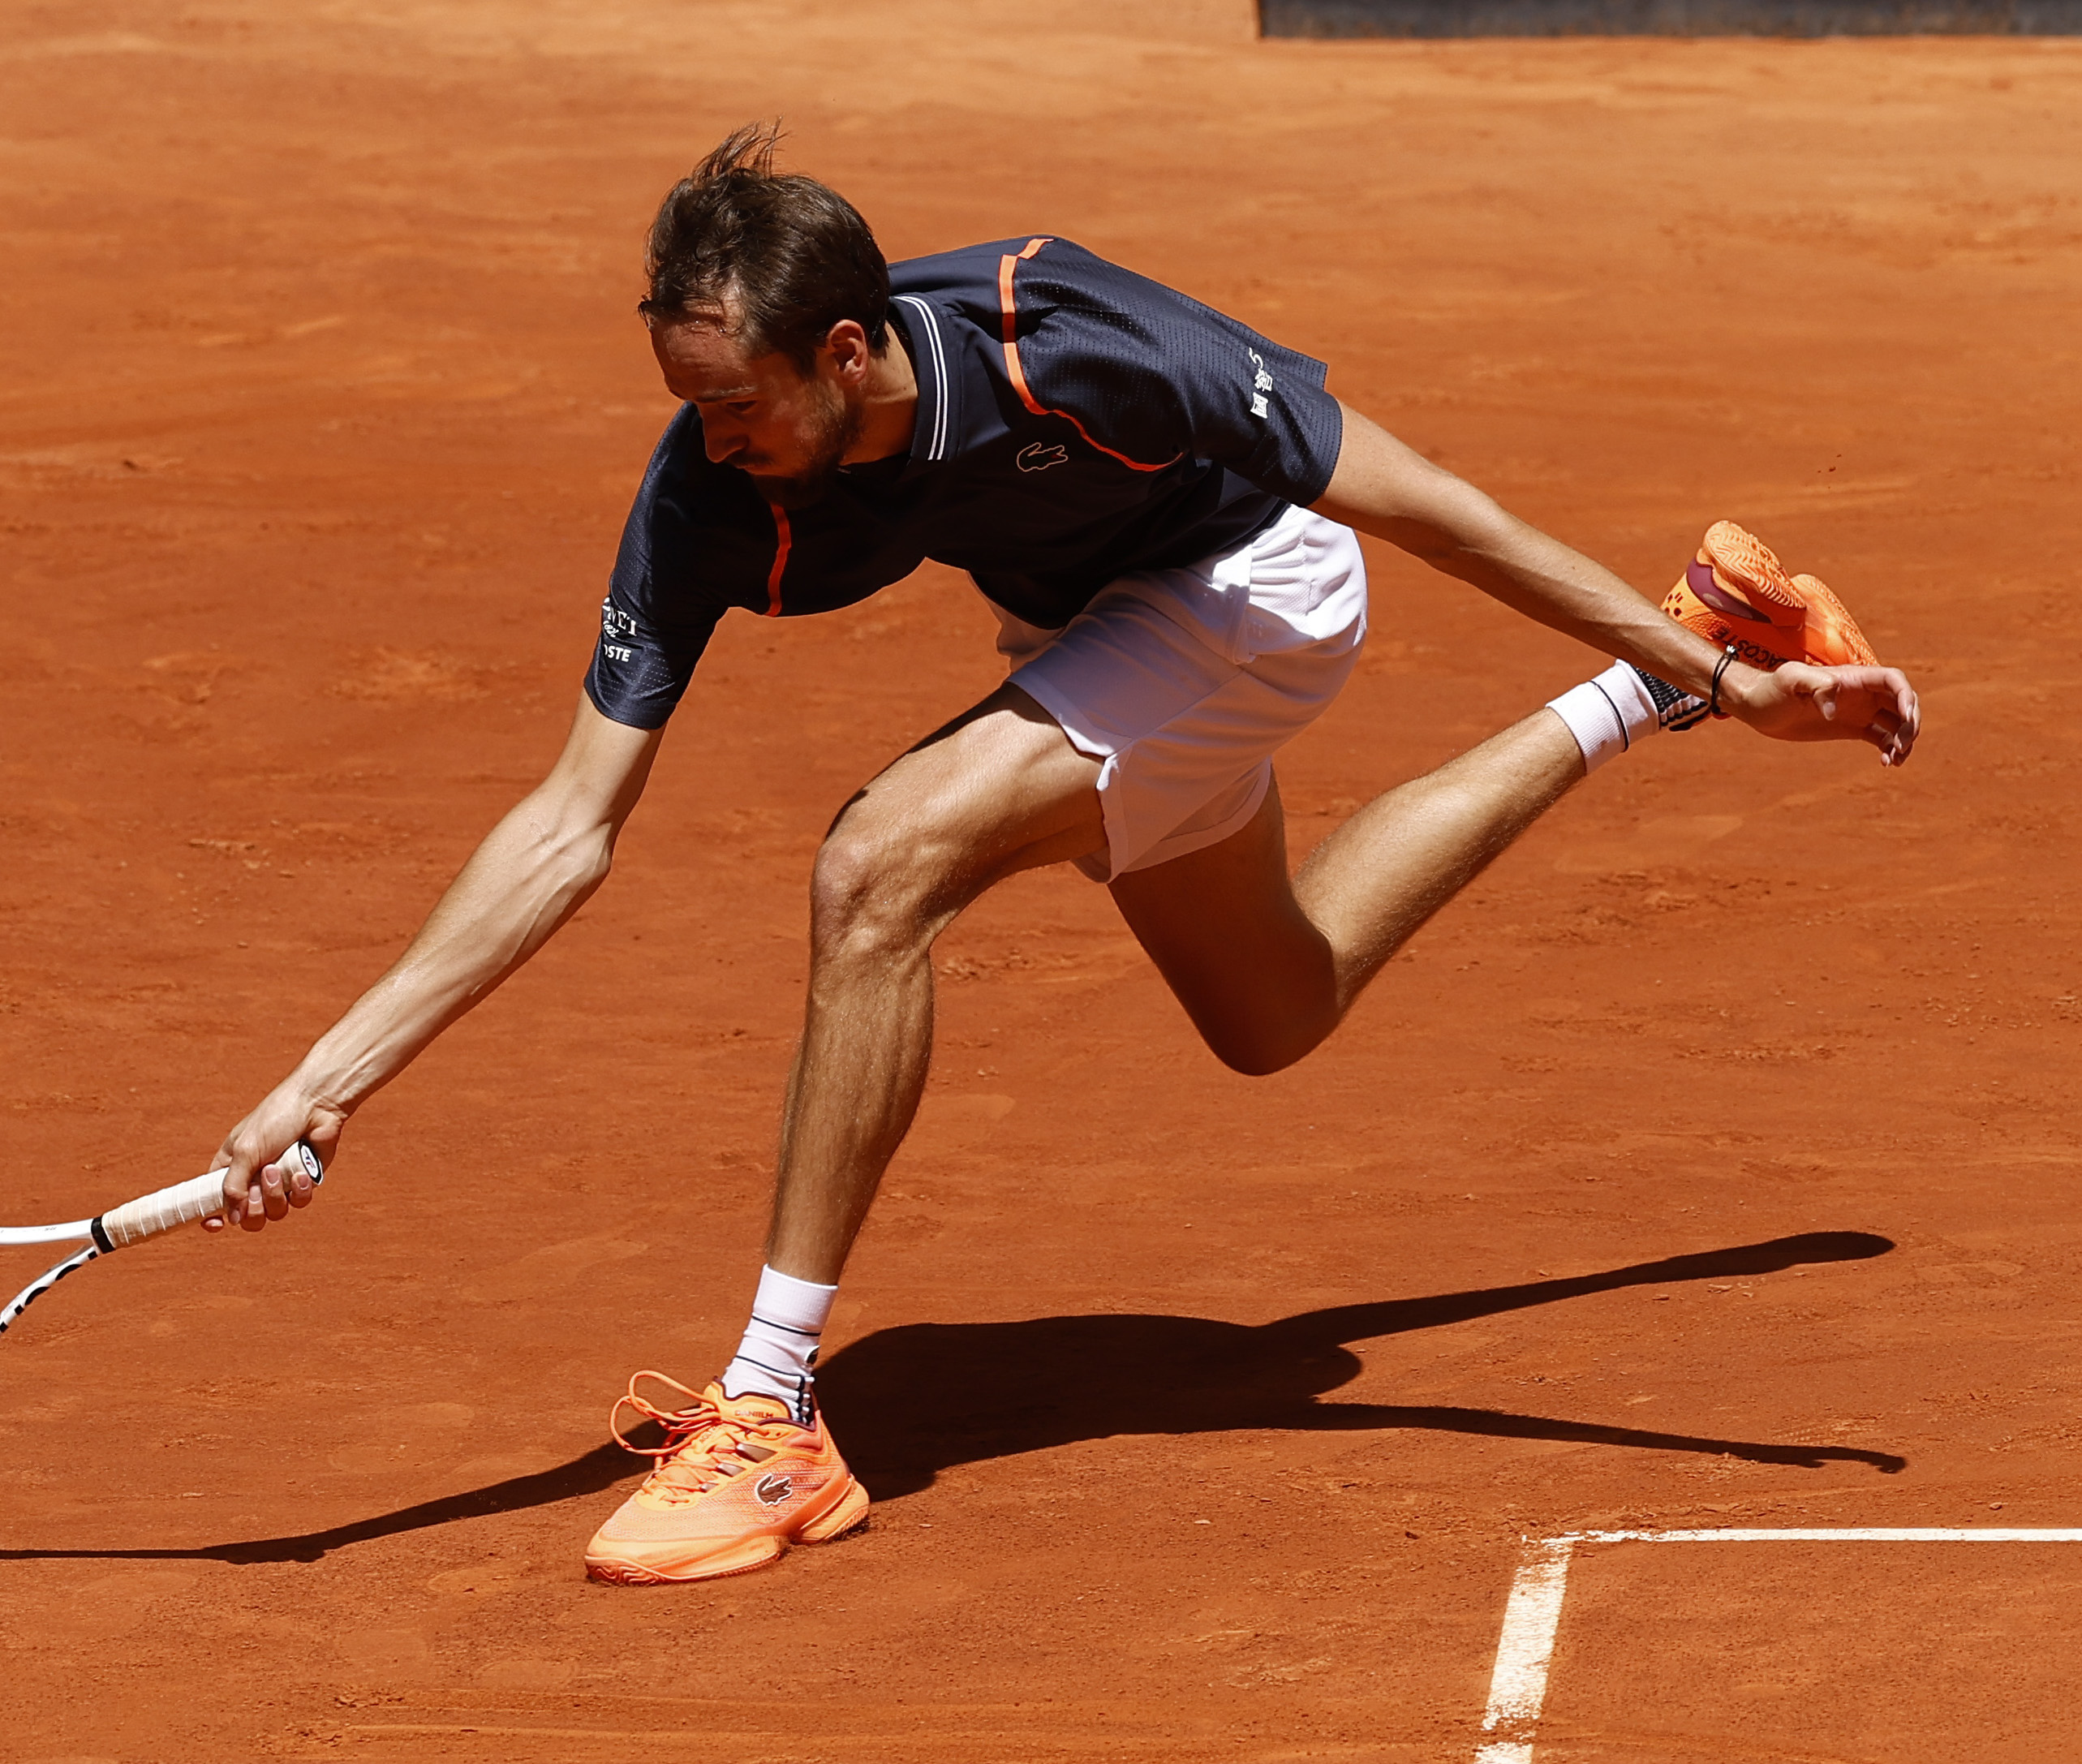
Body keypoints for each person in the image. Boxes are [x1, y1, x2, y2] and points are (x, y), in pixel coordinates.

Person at [196, 127, 1921, 1585]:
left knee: (876, 865)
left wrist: (1746, 694)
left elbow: (1433, 507)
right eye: (691, 409)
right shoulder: (708, 486)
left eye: (738, 410)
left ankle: (773, 1412)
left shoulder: (1073, 341)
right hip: (1092, 623)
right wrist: (327, 1078)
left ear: (852, 354)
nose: (710, 447)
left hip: (1253, 588)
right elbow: (571, 821)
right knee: (1277, 1001)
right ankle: (1638, 685)